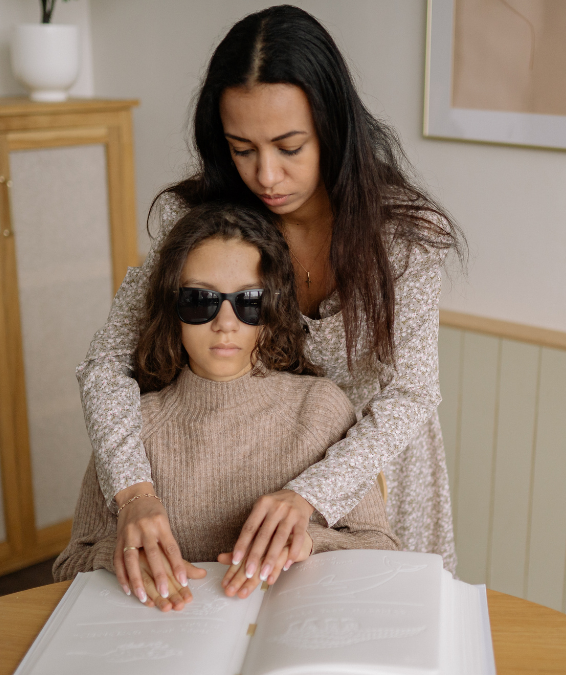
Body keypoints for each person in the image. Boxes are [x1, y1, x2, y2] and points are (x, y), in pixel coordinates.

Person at [78, 5, 463, 608]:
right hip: (253, 467)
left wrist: (312, 496)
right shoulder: (206, 222)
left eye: (289, 146)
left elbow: (411, 394)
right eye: (241, 148)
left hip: (372, 474)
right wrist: (133, 491)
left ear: (332, 127)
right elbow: (106, 364)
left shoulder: (403, 237)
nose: (266, 175)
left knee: (379, 626)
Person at [55, 203, 397, 609]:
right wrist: (116, 557)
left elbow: (381, 547)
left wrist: (310, 542)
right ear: (173, 309)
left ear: (272, 310)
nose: (226, 322)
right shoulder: (129, 428)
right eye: (201, 300)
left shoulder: (320, 410)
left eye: (249, 301)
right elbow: (70, 564)